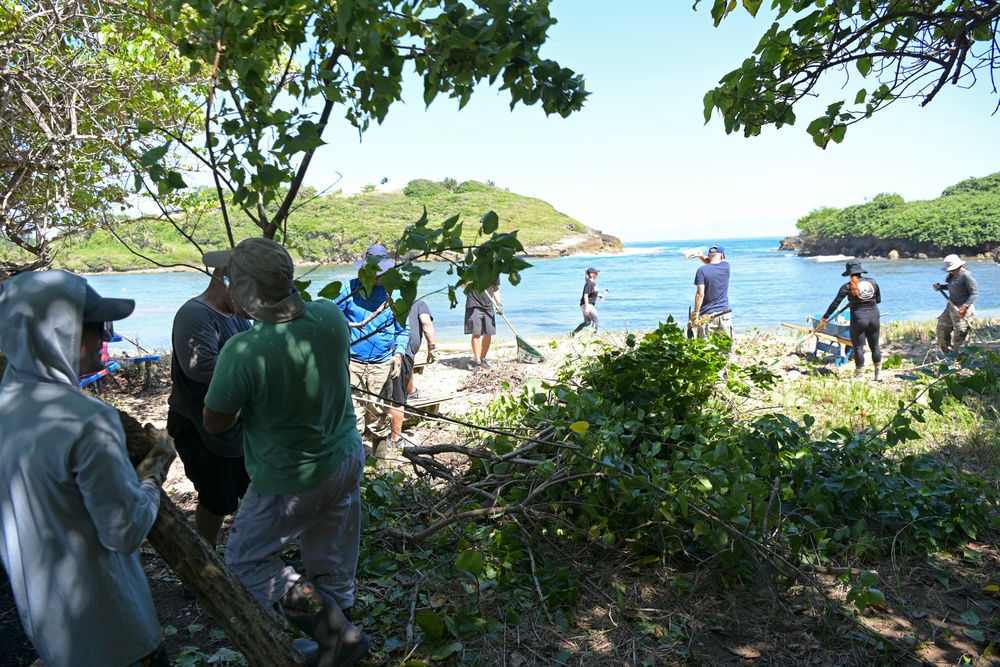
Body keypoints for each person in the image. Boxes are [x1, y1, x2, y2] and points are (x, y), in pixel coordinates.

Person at [201, 238, 370, 667]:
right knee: (332, 557)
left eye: (228, 279)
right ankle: (337, 644)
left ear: (243, 290)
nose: (225, 287)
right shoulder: (331, 317)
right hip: (345, 456)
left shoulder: (243, 350)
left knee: (246, 560)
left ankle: (333, 634)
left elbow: (215, 421)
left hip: (291, 477)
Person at [0, 270, 176, 667]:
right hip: (116, 635)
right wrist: (156, 466)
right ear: (57, 331)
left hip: (49, 627)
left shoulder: (7, 406)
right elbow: (125, 530)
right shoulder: (85, 419)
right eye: (99, 327)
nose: (109, 338)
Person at [168, 263, 252, 549]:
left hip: (237, 423)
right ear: (224, 279)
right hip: (199, 423)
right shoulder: (195, 315)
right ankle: (205, 563)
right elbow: (202, 368)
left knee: (254, 491)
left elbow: (252, 352)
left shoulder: (237, 315)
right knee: (216, 500)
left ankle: (253, 558)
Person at [336, 244, 410, 466]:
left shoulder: (393, 295)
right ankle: (354, 466)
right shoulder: (348, 290)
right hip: (352, 364)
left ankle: (381, 464)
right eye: (373, 272)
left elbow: (403, 330)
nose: (378, 277)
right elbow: (331, 319)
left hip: (381, 364)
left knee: (379, 415)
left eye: (382, 273)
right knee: (353, 416)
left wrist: (398, 353)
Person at [821, 260, 883, 380]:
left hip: (859, 319)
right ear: (860, 271)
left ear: (849, 273)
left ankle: (860, 376)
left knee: (858, 347)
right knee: (875, 346)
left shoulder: (847, 286)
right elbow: (878, 300)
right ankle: (878, 375)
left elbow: (835, 303)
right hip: (874, 316)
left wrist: (825, 317)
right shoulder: (872, 282)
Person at [389, 299, 436, 446]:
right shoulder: (419, 303)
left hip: (387, 351)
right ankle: (395, 439)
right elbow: (426, 323)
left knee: (401, 381)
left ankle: (412, 391)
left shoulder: (386, 301)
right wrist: (432, 346)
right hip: (399, 352)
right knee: (397, 398)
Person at [934, 254, 978, 354]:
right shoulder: (953, 275)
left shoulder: (967, 276)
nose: (951, 272)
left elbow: (974, 293)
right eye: (949, 270)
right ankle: (948, 355)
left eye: (952, 270)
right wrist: (940, 287)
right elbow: (953, 287)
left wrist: (965, 307)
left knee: (960, 335)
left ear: (959, 266)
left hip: (963, 309)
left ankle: (960, 359)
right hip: (951, 307)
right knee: (941, 329)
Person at [691, 244, 732, 339]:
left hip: (707, 315)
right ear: (722, 256)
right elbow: (712, 262)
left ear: (709, 255)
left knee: (705, 348)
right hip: (724, 314)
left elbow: (700, 294)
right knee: (725, 347)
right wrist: (701, 256)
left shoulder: (701, 270)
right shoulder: (726, 266)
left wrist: (695, 314)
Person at [465, 280, 502, 371]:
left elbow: (495, 289)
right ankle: (478, 362)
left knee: (488, 333)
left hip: (489, 305)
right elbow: (463, 286)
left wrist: (499, 303)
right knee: (476, 333)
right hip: (474, 305)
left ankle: (483, 359)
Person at [572, 268, 604, 335]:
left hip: (585, 304)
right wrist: (587, 308)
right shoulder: (589, 283)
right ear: (591, 274)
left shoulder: (591, 283)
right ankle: (593, 336)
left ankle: (573, 334)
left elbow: (591, 293)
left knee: (587, 322)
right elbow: (586, 295)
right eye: (596, 273)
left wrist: (598, 295)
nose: (597, 274)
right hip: (588, 305)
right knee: (596, 320)